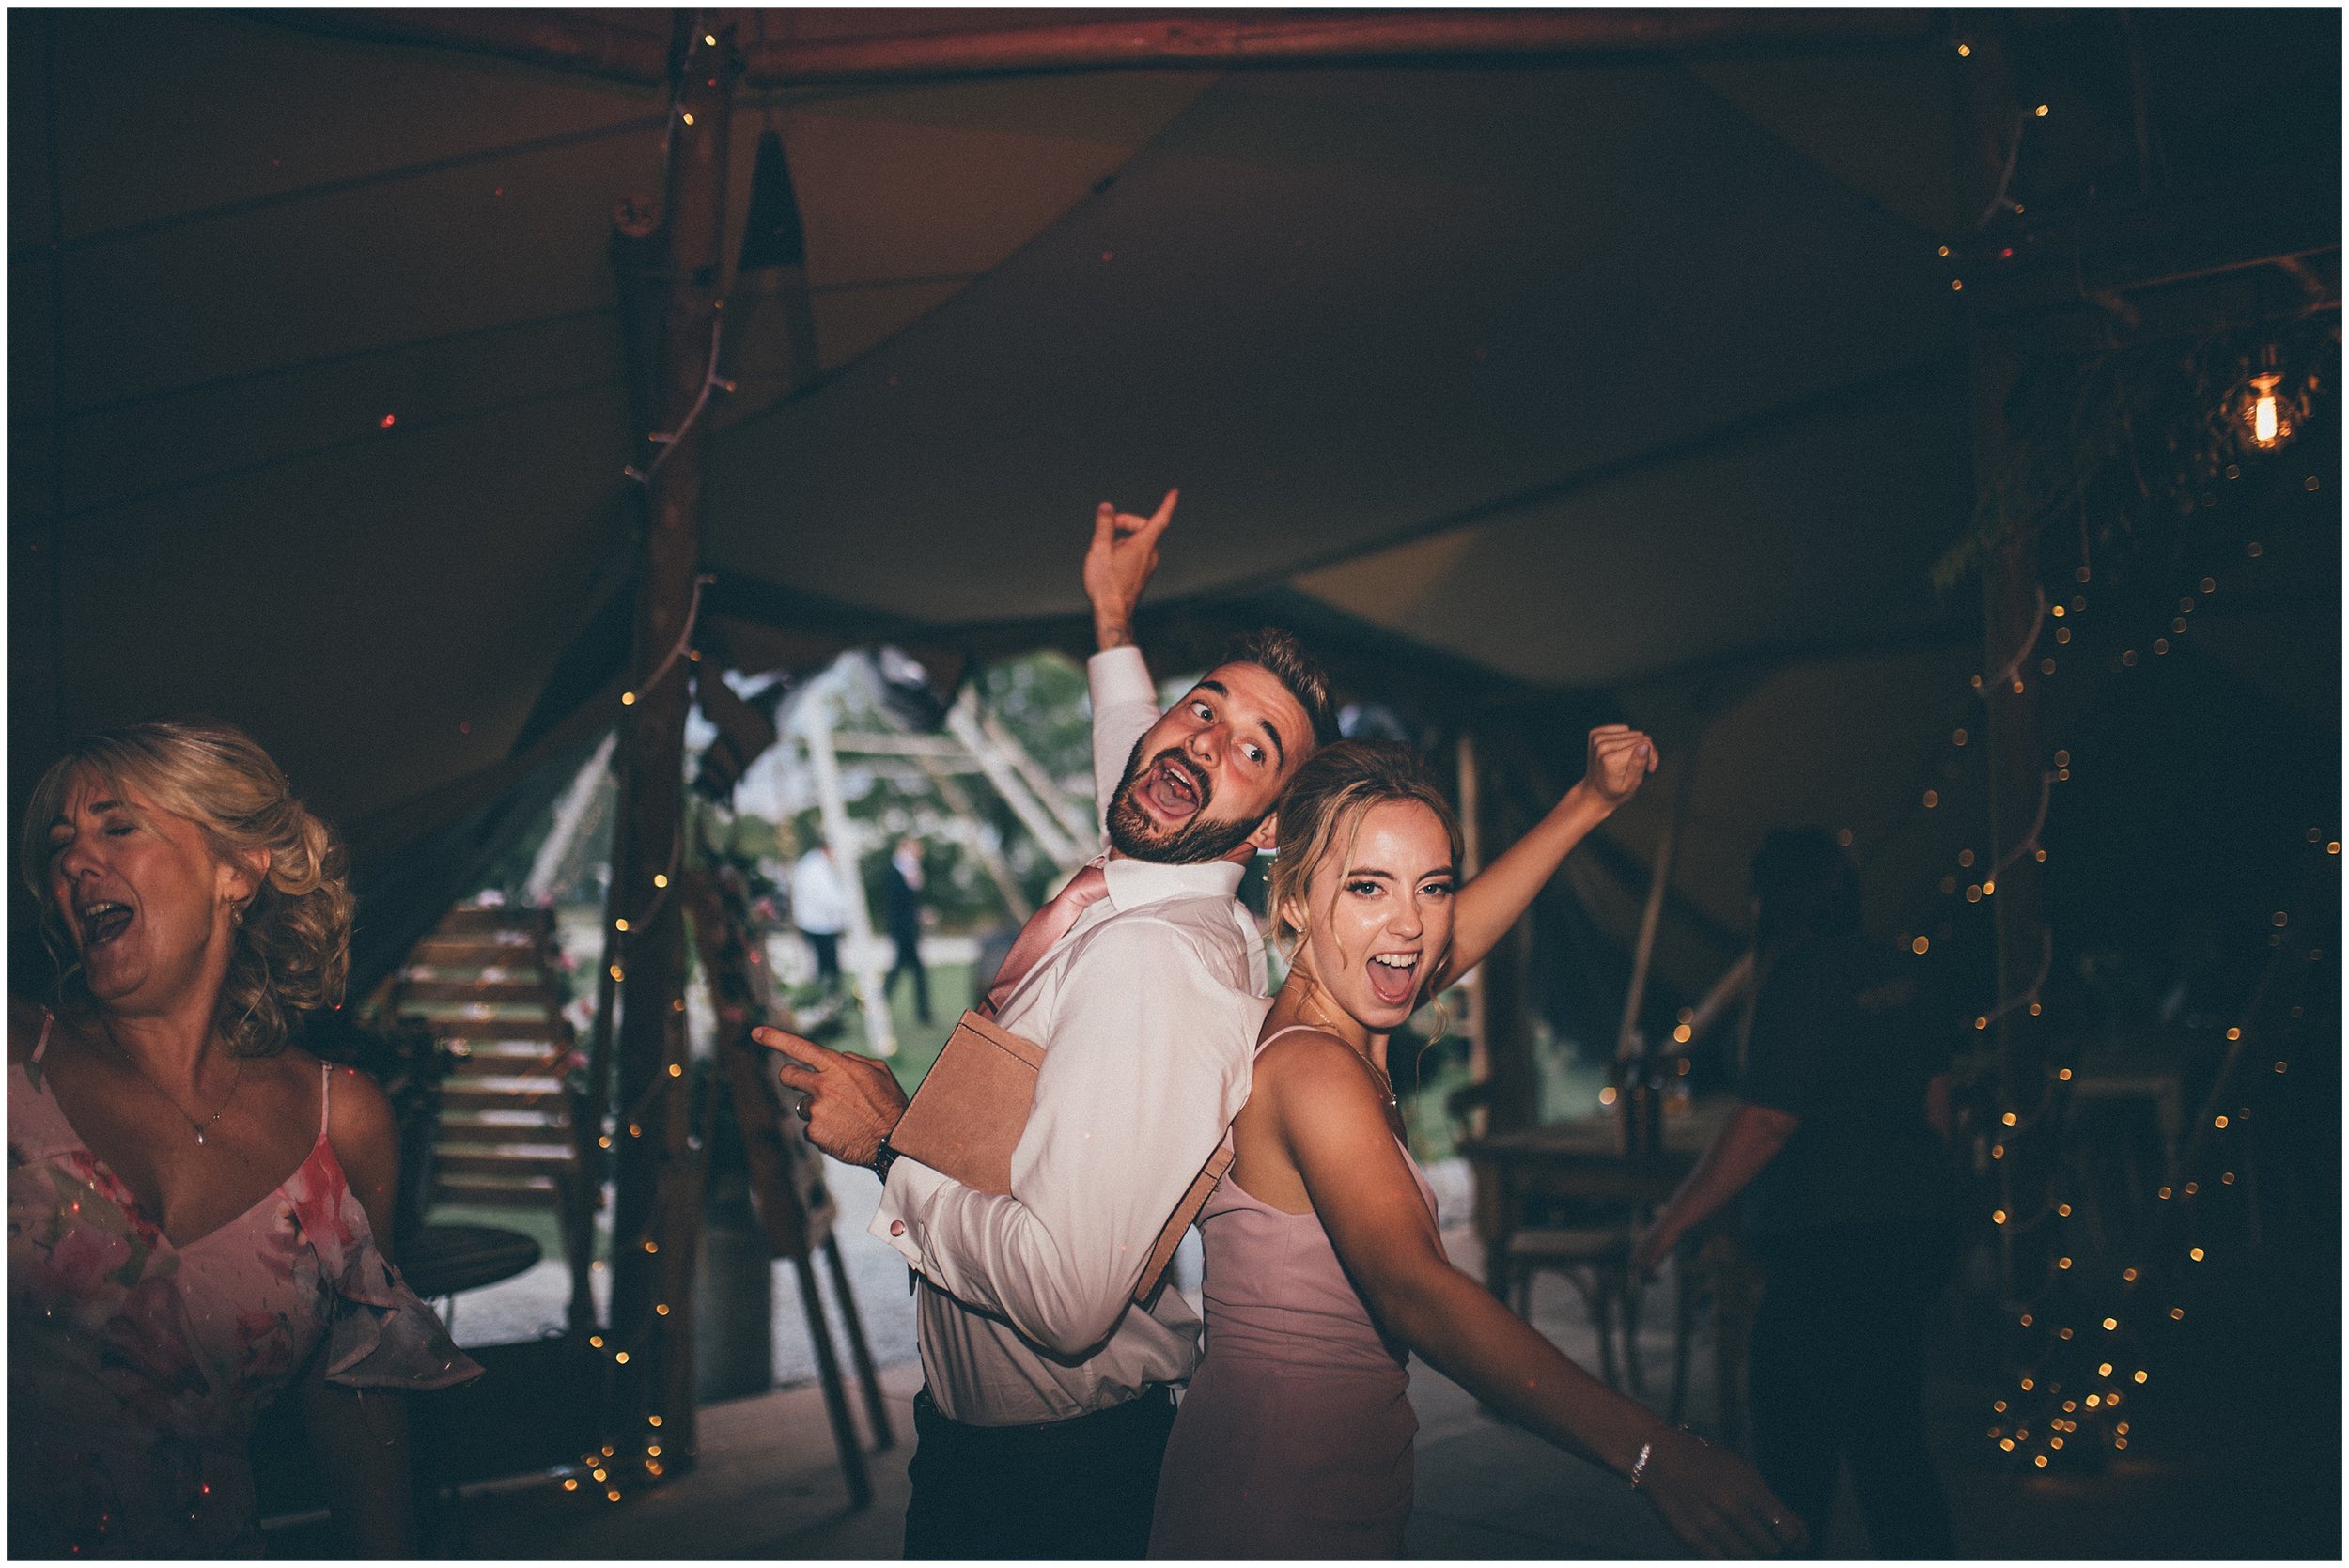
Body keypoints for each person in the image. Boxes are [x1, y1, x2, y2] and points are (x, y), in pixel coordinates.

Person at [759, 489, 1338, 1559]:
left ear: (1266, 833)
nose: (1205, 743)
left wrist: (894, 1144)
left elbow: (1067, 1298)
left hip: (1049, 1491)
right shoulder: (1142, 883)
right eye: (1201, 708)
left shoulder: (1152, 963)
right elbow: (1141, 757)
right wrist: (1114, 621)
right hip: (1021, 1456)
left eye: (1255, 750)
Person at [1143, 734, 1801, 1560]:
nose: (1410, 925)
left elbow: (1447, 939)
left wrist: (1589, 800)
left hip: (1317, 1489)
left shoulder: (1345, 1011)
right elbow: (1413, 1285)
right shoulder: (1313, 1067)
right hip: (1273, 1508)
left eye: (1434, 886)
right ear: (1299, 901)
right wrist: (1651, 1450)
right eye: (1367, 886)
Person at [9, 719, 480, 1558]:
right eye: (59, 847)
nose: (74, 863)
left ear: (237, 868)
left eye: (118, 826)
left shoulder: (343, 1124)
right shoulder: (17, 1067)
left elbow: (358, 1398)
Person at [1632, 829, 1959, 1557]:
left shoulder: (1797, 978)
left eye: (1753, 891)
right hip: (1907, 1232)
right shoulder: (1897, 967)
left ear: (1773, 901)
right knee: (1883, 1432)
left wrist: (1670, 1222)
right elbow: (1939, 1105)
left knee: (1800, 1442)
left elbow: (1765, 1123)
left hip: (1830, 1244)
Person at [883, 835, 932, 1026]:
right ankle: (923, 1013)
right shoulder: (897, 872)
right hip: (903, 929)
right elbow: (898, 902)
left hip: (908, 927)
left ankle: (923, 1013)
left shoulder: (909, 870)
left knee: (905, 970)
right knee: (909, 970)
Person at [789, 842, 848, 989]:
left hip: (817, 922)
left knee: (828, 963)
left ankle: (830, 994)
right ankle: (827, 996)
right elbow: (826, 896)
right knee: (826, 964)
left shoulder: (811, 865)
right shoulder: (815, 868)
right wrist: (847, 905)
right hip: (818, 924)